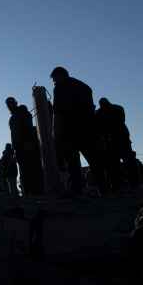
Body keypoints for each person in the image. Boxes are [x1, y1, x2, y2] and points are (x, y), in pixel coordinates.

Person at [50, 66, 106, 195]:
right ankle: (103, 188)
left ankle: (77, 189)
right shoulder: (84, 87)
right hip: (87, 128)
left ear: (60, 76)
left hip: (70, 130)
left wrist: (56, 131)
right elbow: (91, 109)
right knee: (94, 159)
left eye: (54, 79)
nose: (54, 82)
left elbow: (58, 111)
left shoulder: (60, 88)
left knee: (73, 162)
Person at [96, 97, 139, 191]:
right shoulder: (117, 108)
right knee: (117, 164)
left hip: (117, 139)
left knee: (117, 164)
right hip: (116, 139)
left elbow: (119, 122)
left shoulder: (101, 113)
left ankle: (122, 184)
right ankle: (127, 184)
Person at [5, 97, 43, 195]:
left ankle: (34, 191)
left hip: (26, 145)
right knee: (26, 170)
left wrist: (24, 144)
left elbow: (23, 131)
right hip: (21, 147)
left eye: (11, 103)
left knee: (30, 169)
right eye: (8, 104)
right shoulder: (15, 117)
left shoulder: (20, 114)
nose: (9, 106)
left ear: (14, 103)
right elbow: (14, 135)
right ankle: (30, 191)